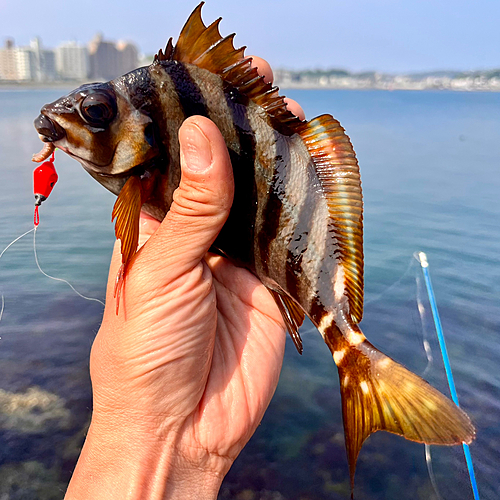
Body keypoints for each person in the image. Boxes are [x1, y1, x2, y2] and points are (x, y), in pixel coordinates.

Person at [64, 58, 306, 499]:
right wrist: (167, 439)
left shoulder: (139, 174)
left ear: (143, 131)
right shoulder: (137, 167)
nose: (80, 121)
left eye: (96, 113)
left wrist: (161, 440)